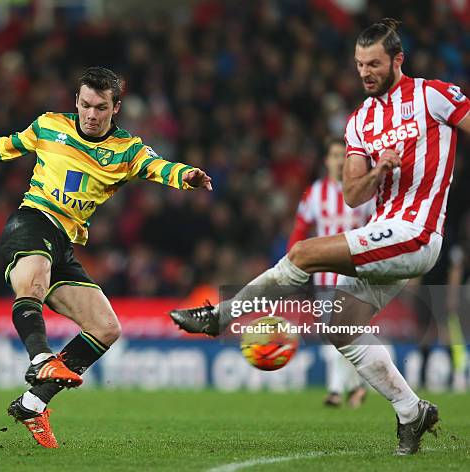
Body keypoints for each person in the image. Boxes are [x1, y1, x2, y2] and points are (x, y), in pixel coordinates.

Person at [170, 18, 470, 455]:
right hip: (386, 234)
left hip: (419, 231)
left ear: (397, 60)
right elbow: (351, 193)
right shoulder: (360, 122)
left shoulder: (434, 96)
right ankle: (411, 411)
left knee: (303, 253)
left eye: (374, 64)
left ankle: (223, 316)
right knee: (339, 325)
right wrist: (379, 170)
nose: (365, 72)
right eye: (358, 64)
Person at [0, 67, 212, 448]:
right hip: (31, 221)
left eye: (100, 107)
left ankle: (33, 403)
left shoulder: (127, 149)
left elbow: (158, 166)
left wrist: (185, 175)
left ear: (115, 107)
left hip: (63, 244)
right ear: (76, 101)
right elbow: (2, 146)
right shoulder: (49, 125)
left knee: (106, 327)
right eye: (85, 104)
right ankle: (40, 359)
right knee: (33, 281)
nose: (91, 114)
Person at [287, 137, 372, 407]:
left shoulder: (364, 192)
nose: (339, 160)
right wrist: (292, 262)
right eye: (334, 155)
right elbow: (300, 230)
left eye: (343, 155)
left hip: (356, 272)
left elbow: (377, 227)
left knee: (341, 331)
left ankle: (336, 391)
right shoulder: (314, 193)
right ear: (326, 160)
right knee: (336, 334)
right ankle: (357, 387)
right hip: (323, 274)